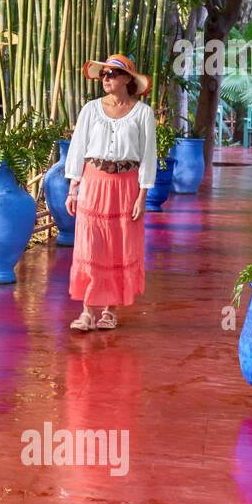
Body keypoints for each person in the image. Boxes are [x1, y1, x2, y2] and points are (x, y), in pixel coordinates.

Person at [63, 53, 158, 331]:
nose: (106, 78)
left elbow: (148, 156)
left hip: (126, 185)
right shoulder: (90, 110)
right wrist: (73, 188)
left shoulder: (143, 113)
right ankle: (86, 312)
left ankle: (110, 310)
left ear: (128, 79)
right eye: (103, 74)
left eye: (112, 74)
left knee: (119, 245)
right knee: (90, 245)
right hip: (94, 182)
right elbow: (78, 149)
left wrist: (142, 196)